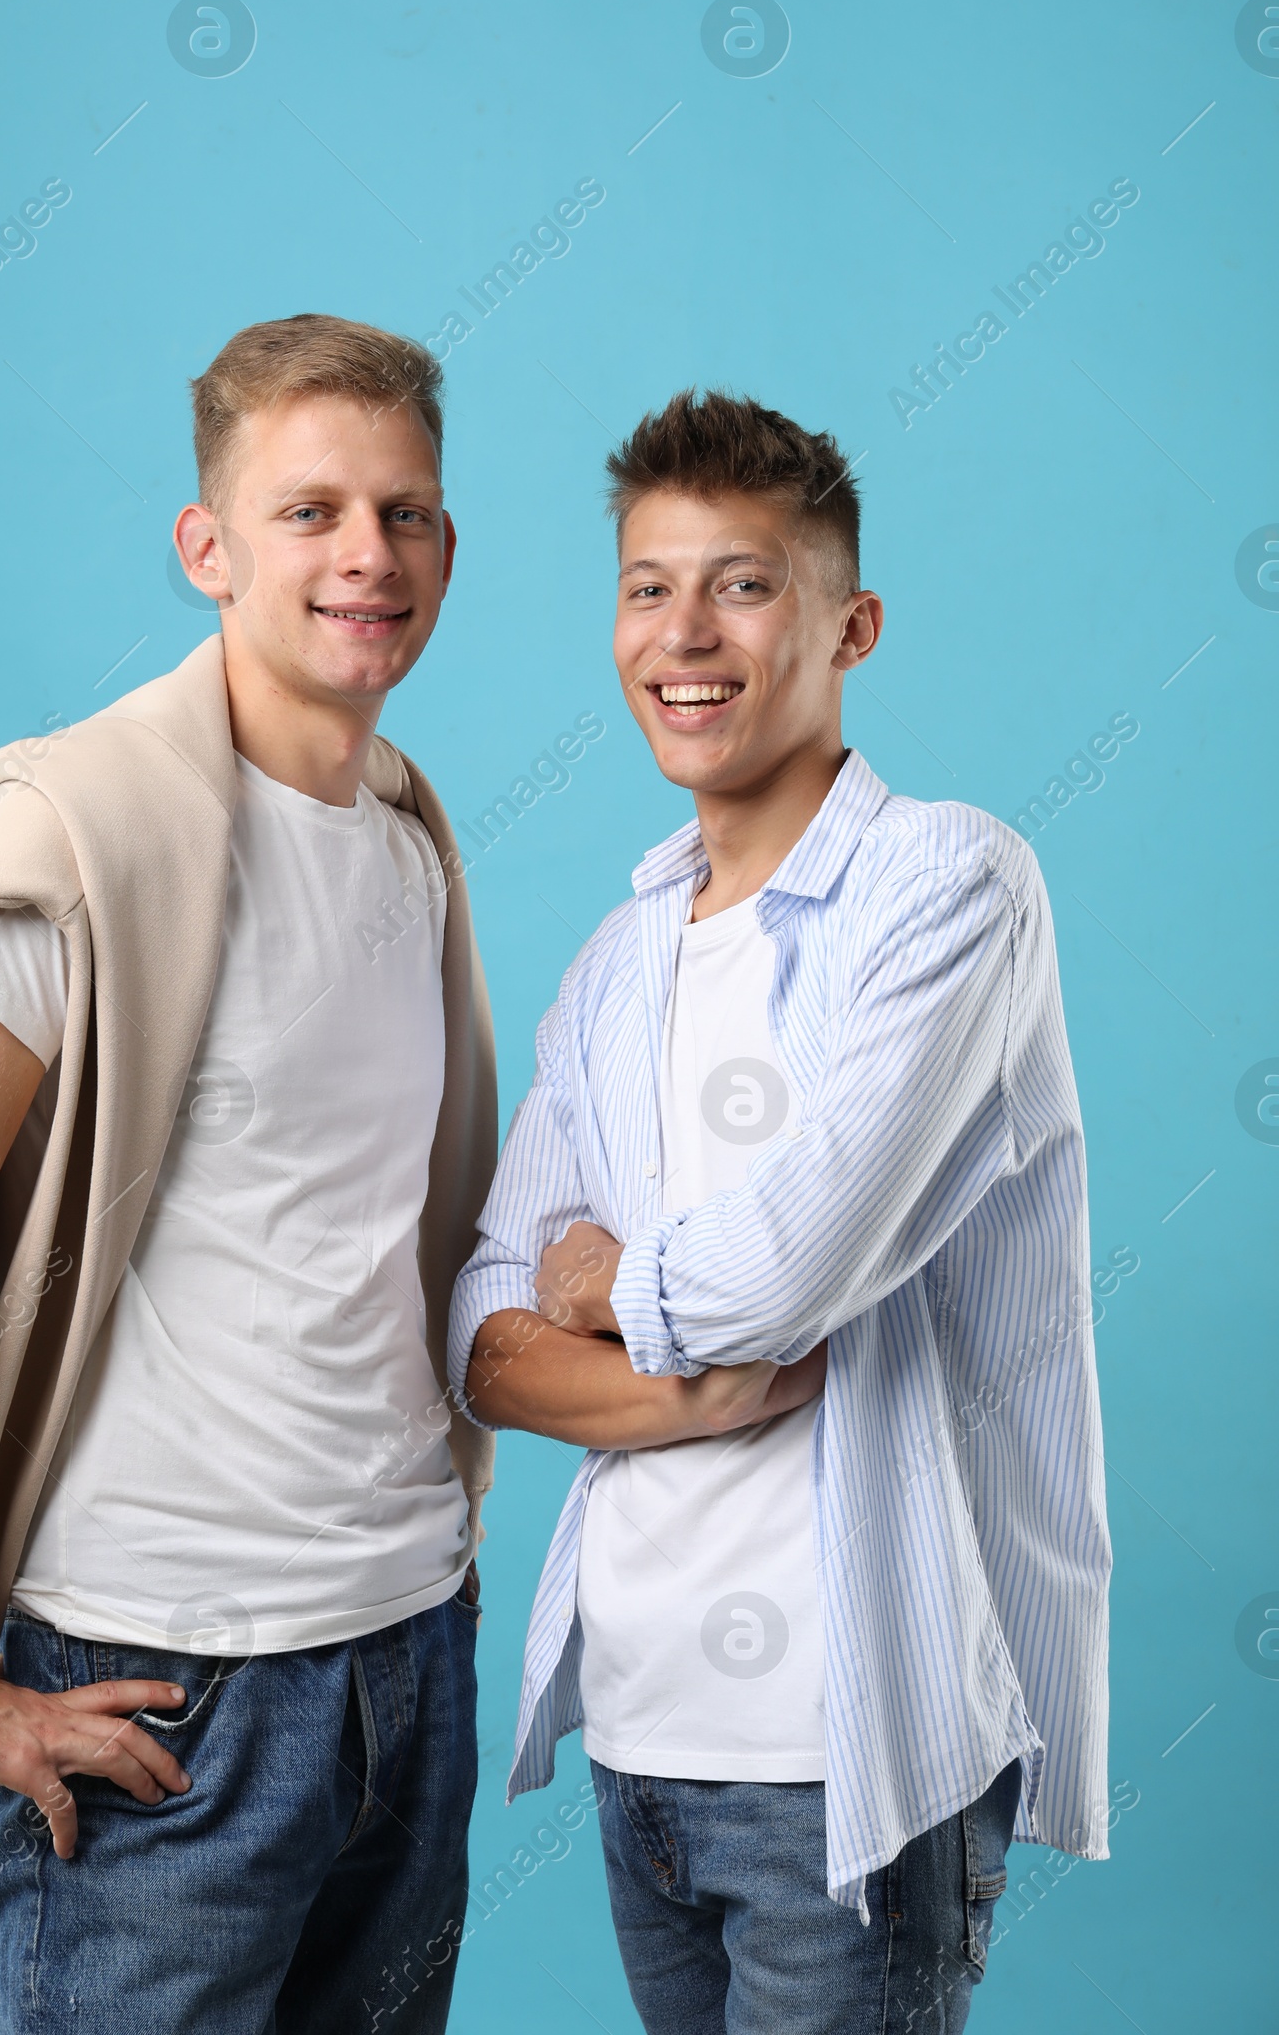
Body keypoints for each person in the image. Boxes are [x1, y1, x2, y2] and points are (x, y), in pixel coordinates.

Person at [0, 316, 496, 2035]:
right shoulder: (87, 839)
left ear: (448, 549)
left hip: (407, 1648)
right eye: (310, 510)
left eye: (404, 514)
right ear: (208, 548)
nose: (366, 555)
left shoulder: (405, 832)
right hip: (164, 1691)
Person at [448, 389, 1111, 2034]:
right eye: (646, 586)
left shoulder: (952, 888)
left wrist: (600, 1278)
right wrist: (699, 1379)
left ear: (849, 623)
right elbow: (478, 1324)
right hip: (644, 1748)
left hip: (853, 1770)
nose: (685, 634)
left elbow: (776, 1279)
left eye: (741, 584)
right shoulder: (616, 965)